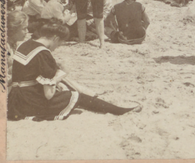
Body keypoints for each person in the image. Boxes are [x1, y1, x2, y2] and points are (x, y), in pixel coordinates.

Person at [8, 20, 141, 121]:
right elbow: (48, 94)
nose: (57, 47)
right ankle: (118, 110)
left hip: (15, 98)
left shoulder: (26, 45)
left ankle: (98, 99)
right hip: (29, 101)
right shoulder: (43, 53)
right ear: (55, 38)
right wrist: (61, 75)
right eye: (59, 43)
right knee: (76, 96)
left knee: (65, 86)